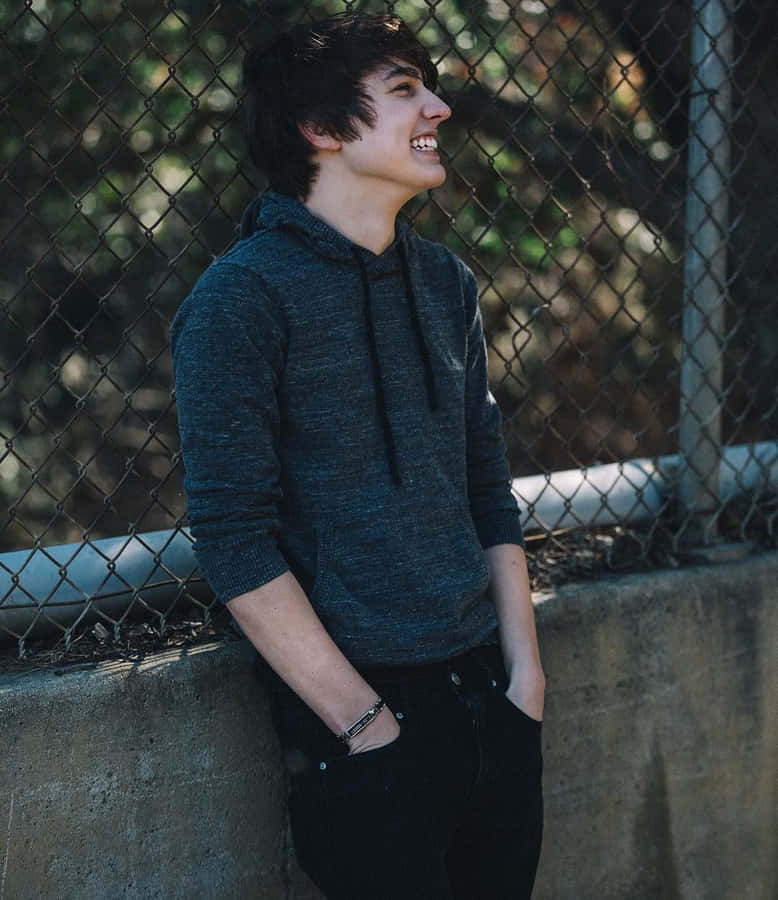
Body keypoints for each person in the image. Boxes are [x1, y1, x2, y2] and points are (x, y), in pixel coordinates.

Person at [171, 12, 545, 899]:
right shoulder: (241, 300)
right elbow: (233, 536)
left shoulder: (446, 282)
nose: (439, 108)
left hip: (490, 694)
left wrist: (525, 683)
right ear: (321, 127)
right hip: (362, 721)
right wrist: (365, 724)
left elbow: (488, 490)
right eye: (405, 90)